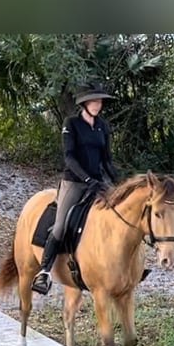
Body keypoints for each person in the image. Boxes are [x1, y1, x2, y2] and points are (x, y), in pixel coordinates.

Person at [31, 82, 119, 295]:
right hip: (75, 182)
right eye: (94, 101)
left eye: (99, 101)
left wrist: (118, 184)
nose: (98, 105)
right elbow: (69, 157)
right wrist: (86, 179)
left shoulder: (102, 126)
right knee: (61, 226)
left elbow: (106, 159)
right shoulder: (71, 124)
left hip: (99, 182)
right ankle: (44, 272)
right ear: (85, 103)